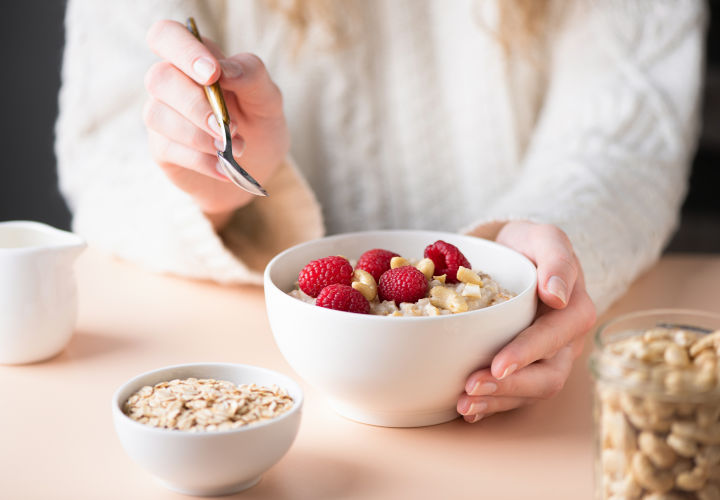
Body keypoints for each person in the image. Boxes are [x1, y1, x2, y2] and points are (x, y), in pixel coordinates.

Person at [56, 0, 705, 423]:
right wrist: (216, 183)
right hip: (277, 386)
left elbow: (623, 138)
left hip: (526, 407)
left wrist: (541, 242)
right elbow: (105, 156)